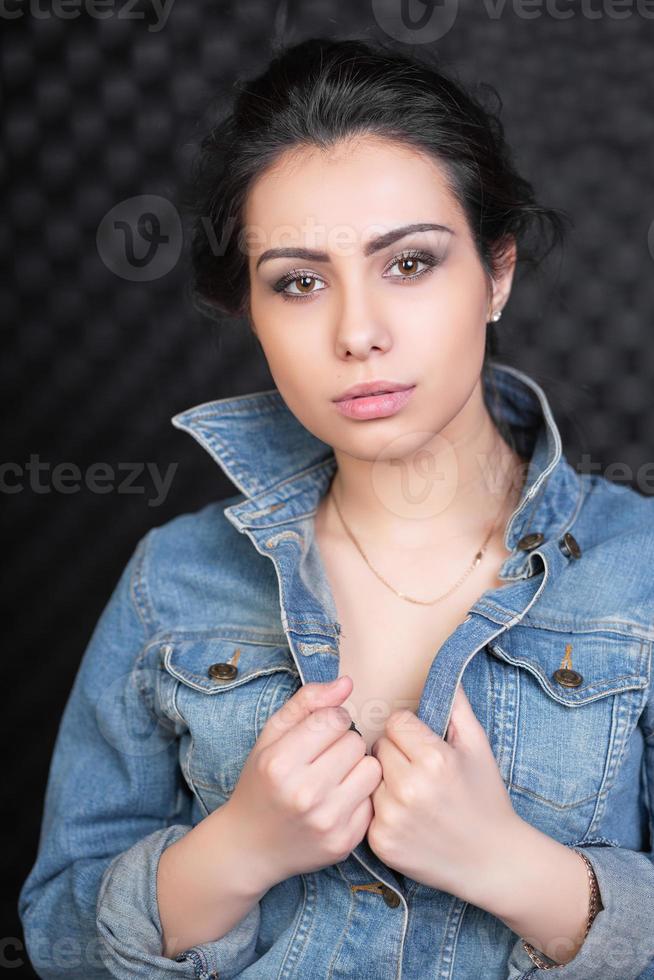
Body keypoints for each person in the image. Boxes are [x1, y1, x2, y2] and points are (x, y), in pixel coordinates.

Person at [18, 36, 654, 980]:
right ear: (252, 309)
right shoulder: (174, 580)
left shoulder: (640, 568)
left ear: (499, 273)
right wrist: (236, 853)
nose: (356, 332)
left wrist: (512, 869)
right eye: (299, 281)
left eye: (410, 264)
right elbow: (57, 939)